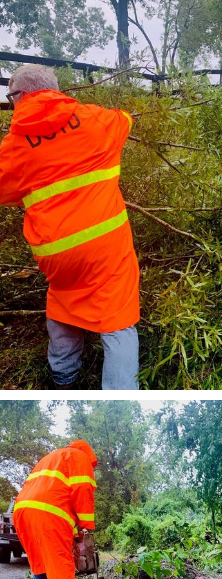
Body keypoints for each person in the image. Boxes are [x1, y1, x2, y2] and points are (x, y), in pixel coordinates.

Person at [0, 64, 140, 390]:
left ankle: (63, 378)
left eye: (10, 98)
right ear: (55, 90)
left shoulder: (14, 147)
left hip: (57, 257)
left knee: (62, 302)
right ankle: (121, 392)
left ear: (21, 96)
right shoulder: (95, 120)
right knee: (119, 322)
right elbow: (125, 119)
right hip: (107, 248)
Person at [12, 440, 97, 579]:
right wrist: (86, 526)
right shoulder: (79, 456)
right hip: (49, 514)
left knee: (40, 565)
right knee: (60, 569)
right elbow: (83, 490)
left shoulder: (50, 458)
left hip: (22, 511)